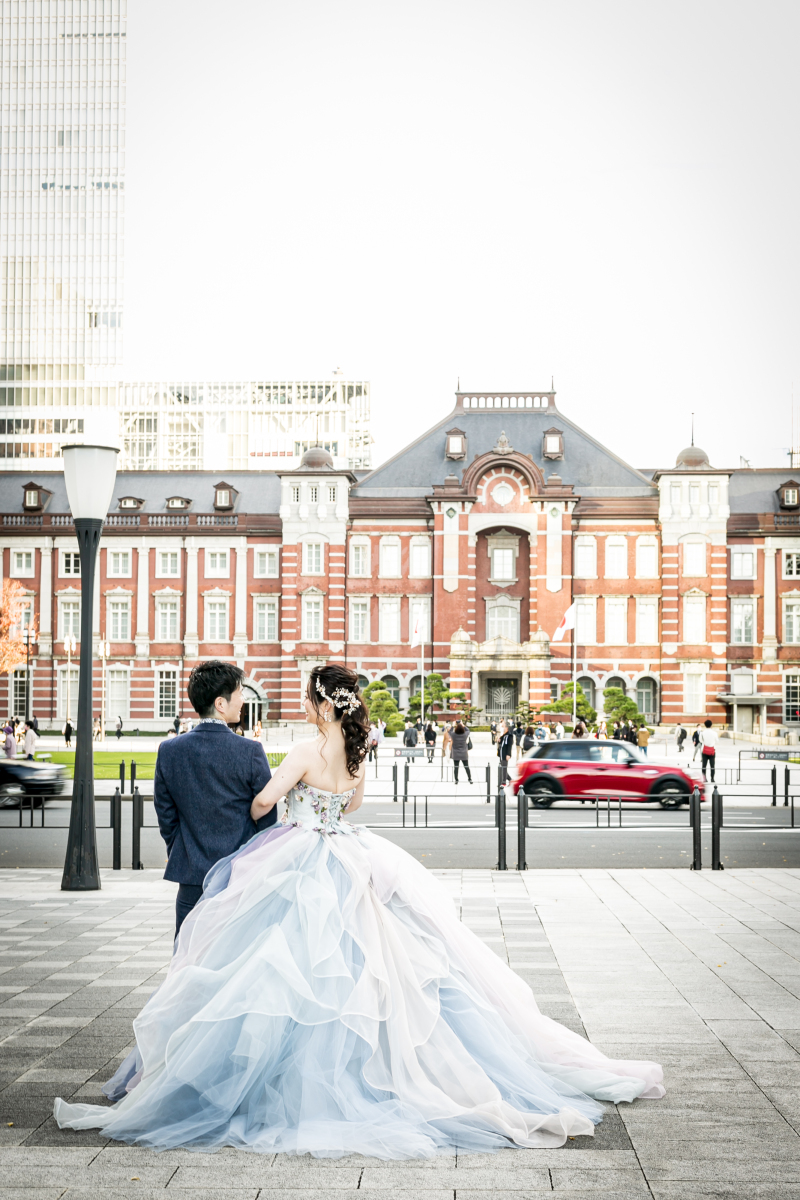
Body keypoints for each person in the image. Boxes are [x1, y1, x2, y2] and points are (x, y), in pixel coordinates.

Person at [54, 661, 664, 1155]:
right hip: (349, 855)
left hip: (299, 858)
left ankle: (248, 1067)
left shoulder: (299, 749)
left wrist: (283, 799)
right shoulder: (355, 752)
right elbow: (350, 810)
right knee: (370, 956)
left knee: (281, 960)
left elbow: (263, 804)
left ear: (321, 704)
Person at [149, 660, 274, 937]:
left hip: (192, 875)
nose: (242, 700)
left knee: (187, 957)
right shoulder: (250, 751)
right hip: (239, 874)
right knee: (235, 960)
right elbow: (267, 817)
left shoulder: (170, 750)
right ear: (221, 703)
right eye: (239, 693)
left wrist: (182, 850)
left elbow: (165, 815)